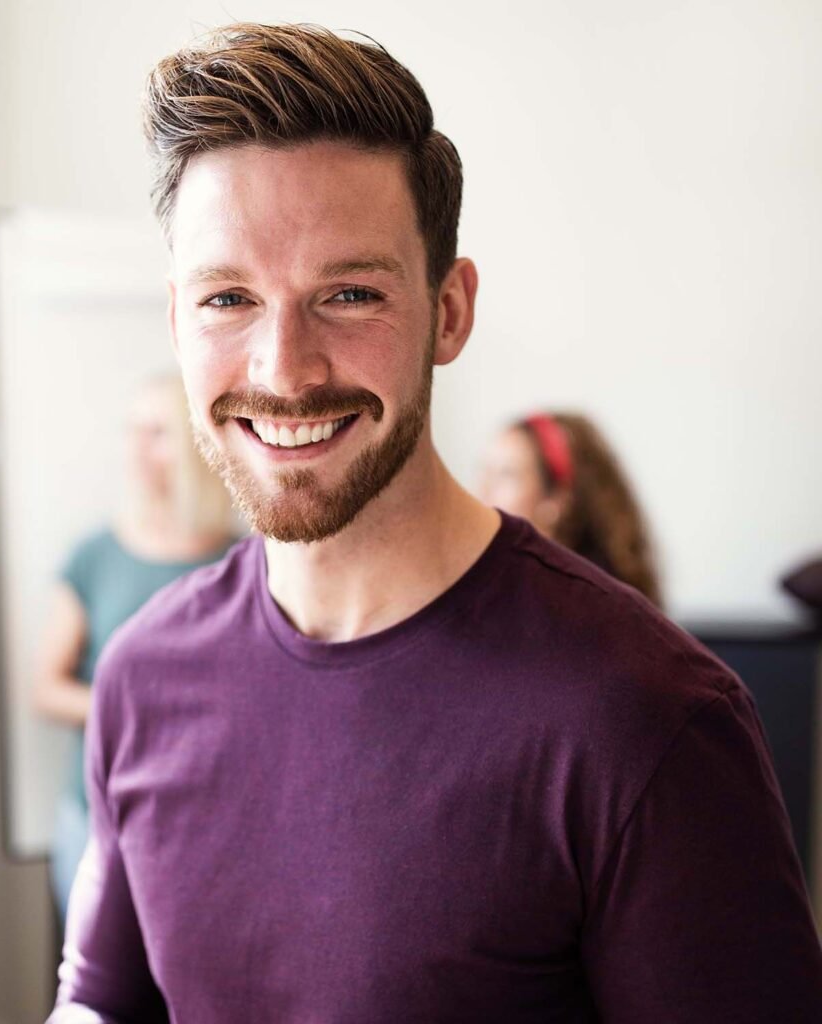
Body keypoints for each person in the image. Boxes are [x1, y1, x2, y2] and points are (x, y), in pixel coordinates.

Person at [50, 23, 822, 1023]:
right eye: (228, 297)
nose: (284, 370)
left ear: (449, 311)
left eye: (349, 294)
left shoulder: (642, 718)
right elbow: (99, 1008)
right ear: (175, 321)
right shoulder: (142, 676)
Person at [34, 374, 235, 924]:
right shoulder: (95, 556)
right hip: (100, 817)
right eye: (133, 432)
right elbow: (46, 689)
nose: (139, 450)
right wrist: (145, 708)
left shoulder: (245, 560)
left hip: (211, 819)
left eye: (158, 433)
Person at [479, 411, 662, 604]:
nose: (484, 490)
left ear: (557, 498)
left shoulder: (593, 600)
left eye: (506, 474)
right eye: (486, 473)